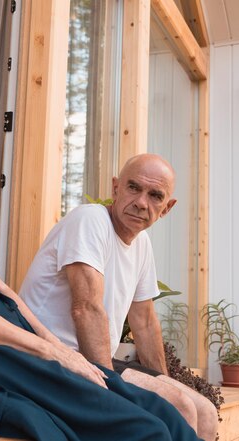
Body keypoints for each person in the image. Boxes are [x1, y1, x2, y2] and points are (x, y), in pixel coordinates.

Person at [0, 68, 202, 441]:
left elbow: (0, 288)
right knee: (142, 429)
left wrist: (59, 347)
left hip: (8, 342)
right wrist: (46, 351)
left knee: (161, 413)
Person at [20, 153, 218, 441]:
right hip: (52, 357)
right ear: (115, 188)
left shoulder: (141, 245)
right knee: (179, 407)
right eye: (133, 188)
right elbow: (86, 309)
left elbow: (145, 323)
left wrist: (163, 381)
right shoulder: (90, 220)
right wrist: (110, 393)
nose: (141, 202)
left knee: (205, 410)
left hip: (93, 360)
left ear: (167, 208)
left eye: (155, 195)